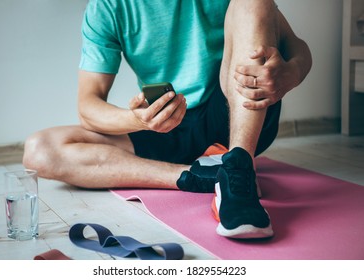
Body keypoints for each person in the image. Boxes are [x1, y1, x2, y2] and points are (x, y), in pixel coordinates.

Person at [23, 0, 312, 239]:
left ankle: (239, 170)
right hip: (166, 125)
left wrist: (292, 73)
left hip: (234, 115)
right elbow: (88, 106)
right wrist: (139, 120)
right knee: (40, 150)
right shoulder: (107, 7)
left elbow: (296, 47)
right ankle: (198, 177)